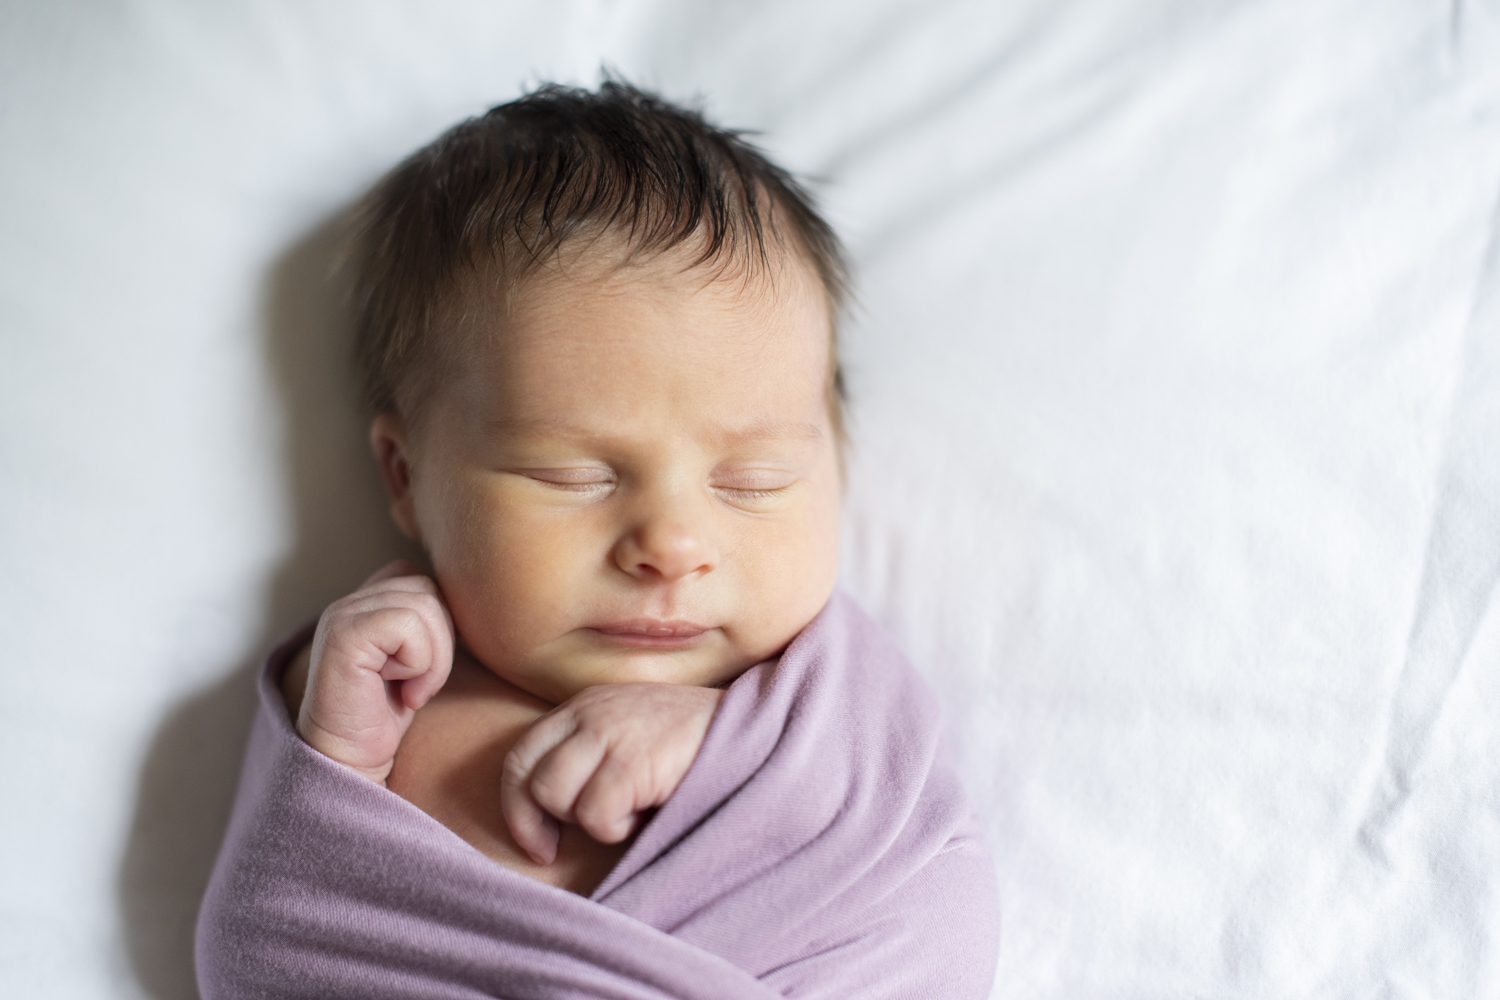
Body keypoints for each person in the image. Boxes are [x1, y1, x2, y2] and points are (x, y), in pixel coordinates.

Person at [199, 80, 999, 998]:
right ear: (406, 476)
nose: (670, 543)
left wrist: (724, 743)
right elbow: (258, 949)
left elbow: (926, 890)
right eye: (573, 477)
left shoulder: (827, 712)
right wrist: (339, 761)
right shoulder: (373, 680)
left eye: (754, 481)